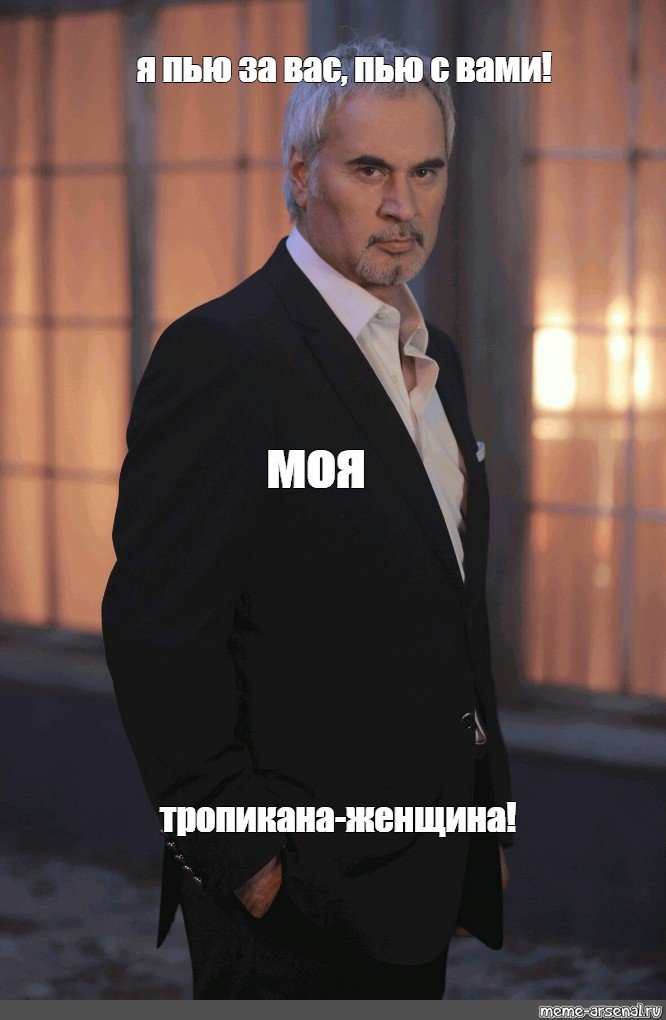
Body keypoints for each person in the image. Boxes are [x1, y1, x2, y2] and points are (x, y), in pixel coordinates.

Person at [101, 36, 513, 1000]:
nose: (402, 204)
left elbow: (447, 612)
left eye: (425, 171)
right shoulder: (226, 356)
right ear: (298, 173)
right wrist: (245, 862)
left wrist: (478, 825)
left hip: (417, 874)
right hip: (294, 900)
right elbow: (157, 632)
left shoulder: (437, 355)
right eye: (369, 169)